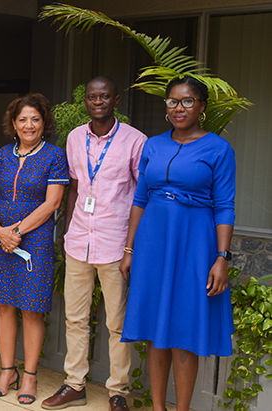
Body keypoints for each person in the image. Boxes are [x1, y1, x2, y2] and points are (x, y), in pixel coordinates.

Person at [120, 76, 235, 411]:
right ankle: (158, 408)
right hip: (153, 242)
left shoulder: (217, 148)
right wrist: (129, 249)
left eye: (187, 101)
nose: (178, 108)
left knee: (183, 328)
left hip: (195, 243)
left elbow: (225, 204)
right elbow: (139, 198)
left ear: (201, 106)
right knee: (157, 330)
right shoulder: (153, 145)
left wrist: (222, 257)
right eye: (172, 101)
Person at [42, 77, 146, 411]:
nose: (97, 101)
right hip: (78, 241)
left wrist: (132, 247)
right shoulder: (74, 138)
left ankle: (118, 391)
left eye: (104, 96)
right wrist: (67, 231)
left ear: (116, 100)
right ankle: (74, 384)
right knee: (75, 318)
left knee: (117, 321)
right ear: (85, 101)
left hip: (115, 243)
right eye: (91, 96)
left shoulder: (135, 141)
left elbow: (140, 198)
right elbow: (73, 187)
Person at [0, 93, 68, 405]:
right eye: (23, 119)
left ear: (44, 123)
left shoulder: (54, 156)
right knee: (3, 305)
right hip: (1, 238)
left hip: (35, 242)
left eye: (35, 119)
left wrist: (16, 231)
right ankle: (6, 371)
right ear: (13, 124)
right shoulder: (1, 155)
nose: (29, 125)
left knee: (30, 308)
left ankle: (29, 375)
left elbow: (52, 203)